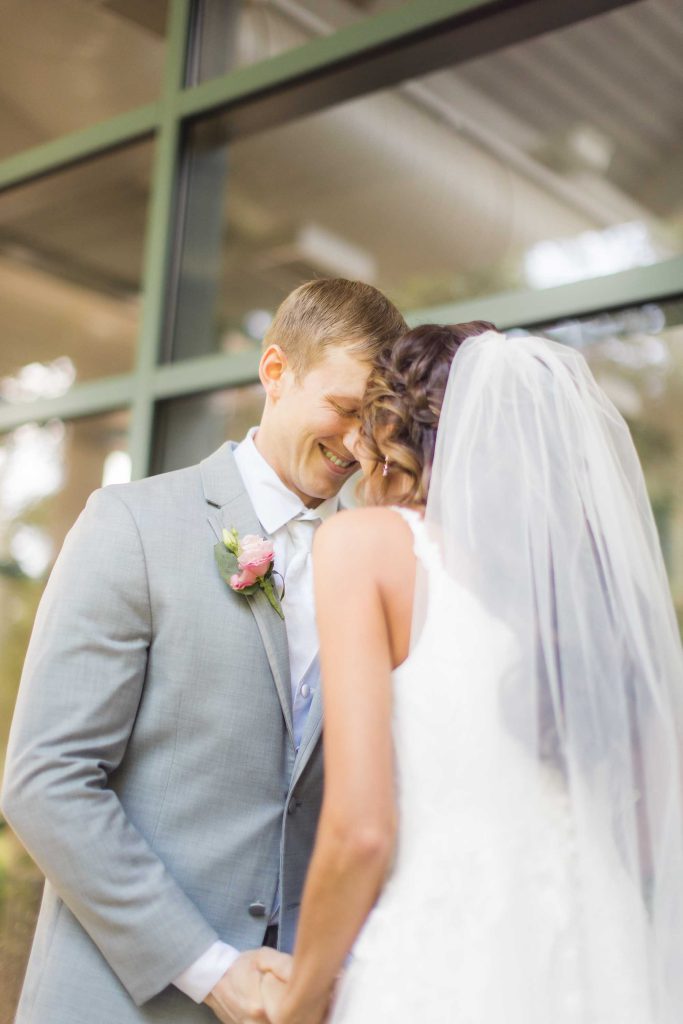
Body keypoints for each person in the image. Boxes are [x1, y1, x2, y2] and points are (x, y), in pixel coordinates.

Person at [0, 278, 407, 1024]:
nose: (358, 442)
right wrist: (213, 970)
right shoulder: (132, 525)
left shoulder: (387, 561)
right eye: (345, 410)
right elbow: (45, 780)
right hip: (120, 1001)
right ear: (275, 371)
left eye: (375, 420)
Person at [261, 324, 683, 1024]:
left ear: (399, 429)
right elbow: (649, 833)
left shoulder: (367, 546)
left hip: (449, 956)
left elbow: (361, 830)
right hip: (603, 952)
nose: (359, 444)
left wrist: (299, 1004)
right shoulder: (598, 592)